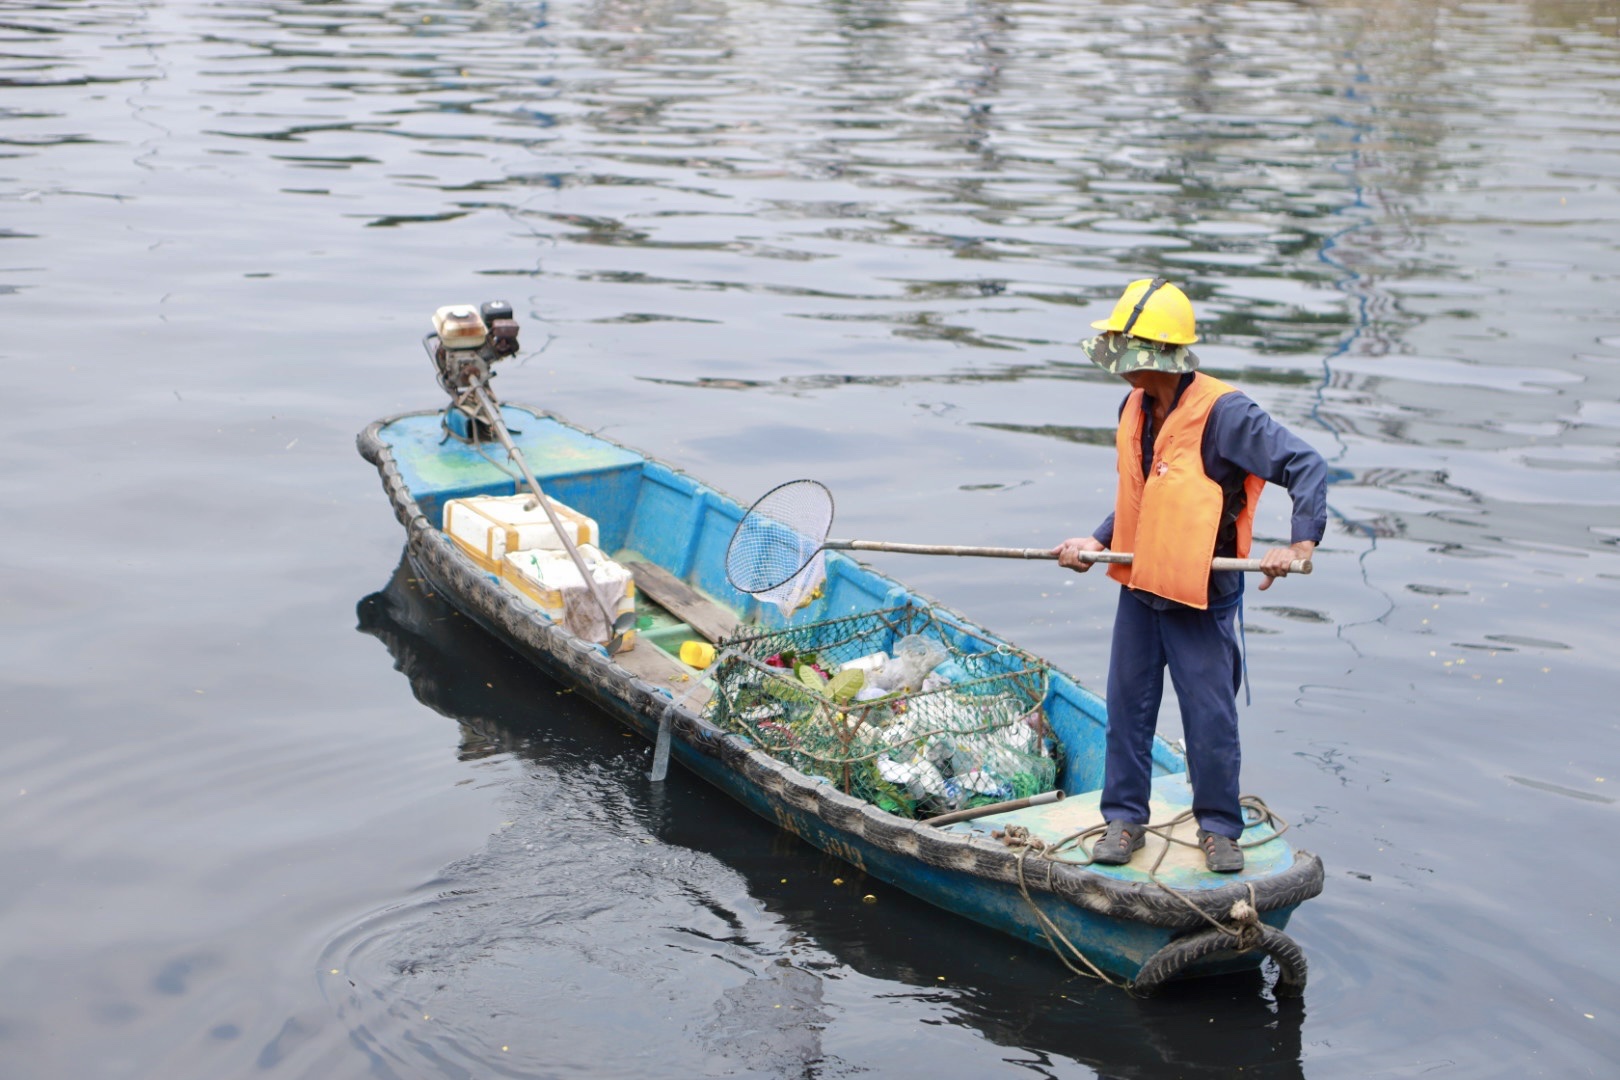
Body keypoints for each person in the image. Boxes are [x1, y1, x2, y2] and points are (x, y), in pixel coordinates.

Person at [1053, 277, 1327, 873]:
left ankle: (1220, 828)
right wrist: (1097, 541)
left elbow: (1305, 464)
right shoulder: (1133, 406)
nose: (1116, 359)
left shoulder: (1226, 414)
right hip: (1140, 584)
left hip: (1202, 594)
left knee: (1209, 718)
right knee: (1128, 709)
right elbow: (1147, 494)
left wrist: (1298, 543)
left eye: (1125, 347)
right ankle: (1124, 820)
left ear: (1155, 354)